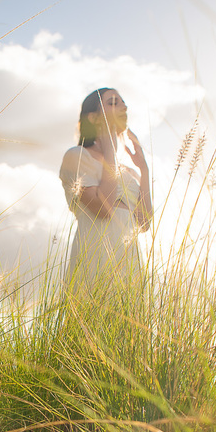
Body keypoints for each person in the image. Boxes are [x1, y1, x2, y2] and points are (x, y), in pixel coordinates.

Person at [58, 88, 152, 295]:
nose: (124, 107)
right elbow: (103, 209)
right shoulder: (77, 156)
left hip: (129, 258)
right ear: (93, 118)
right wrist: (110, 150)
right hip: (95, 253)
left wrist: (144, 169)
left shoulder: (128, 172)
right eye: (113, 102)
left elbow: (144, 223)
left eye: (123, 102)